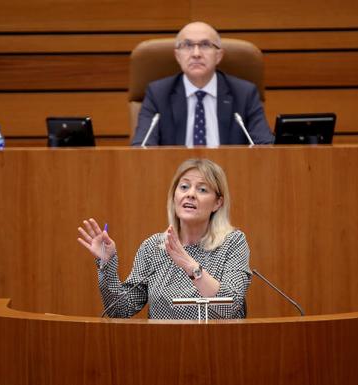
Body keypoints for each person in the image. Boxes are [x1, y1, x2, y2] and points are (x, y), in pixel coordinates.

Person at [77, 158, 251, 319]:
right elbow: (120, 309)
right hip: (162, 348)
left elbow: (230, 304)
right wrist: (107, 264)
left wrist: (191, 266)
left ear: (217, 203)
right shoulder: (154, 247)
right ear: (174, 196)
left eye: (202, 189)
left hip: (217, 347)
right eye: (184, 187)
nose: (190, 194)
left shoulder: (232, 242)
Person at [131, 21, 274, 146]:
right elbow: (143, 147)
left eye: (205, 45)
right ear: (177, 56)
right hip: (175, 175)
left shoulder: (244, 93)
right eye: (187, 45)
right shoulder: (157, 94)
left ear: (219, 55)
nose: (196, 53)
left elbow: (265, 145)